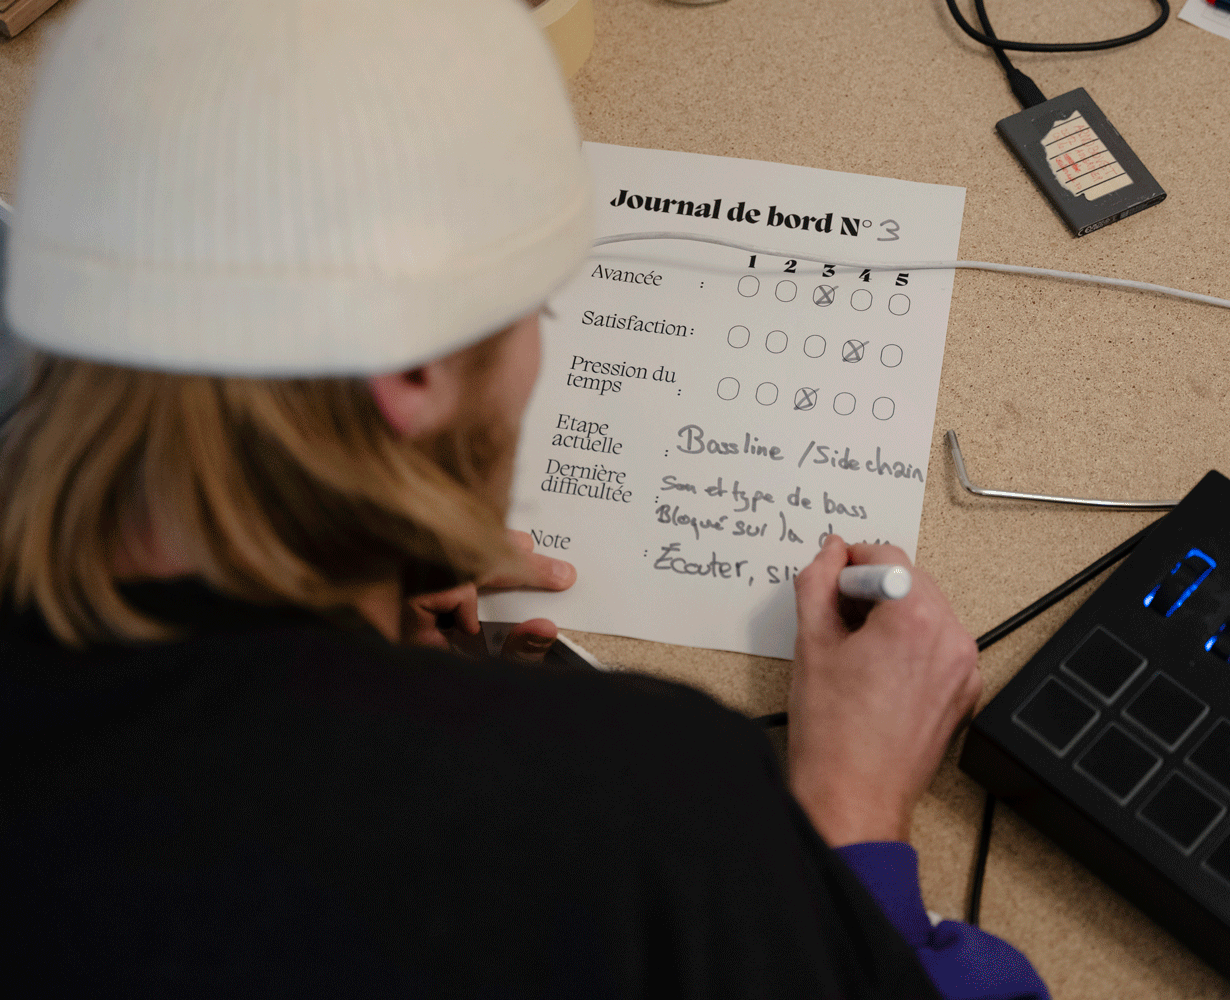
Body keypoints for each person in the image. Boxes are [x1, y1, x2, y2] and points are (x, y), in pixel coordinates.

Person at [0, 1, 1048, 997]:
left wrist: (386, 666)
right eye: (535, 312)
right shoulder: (647, 807)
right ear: (410, 372)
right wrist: (850, 812)